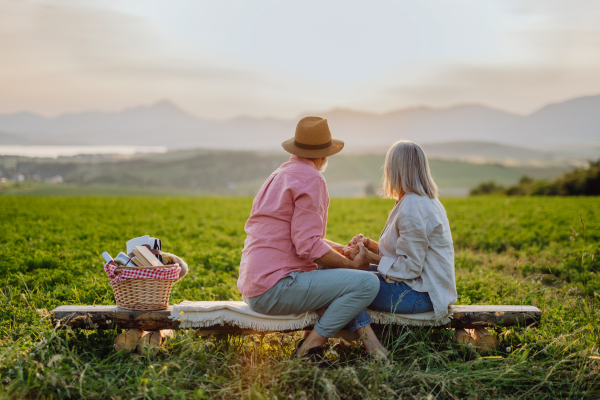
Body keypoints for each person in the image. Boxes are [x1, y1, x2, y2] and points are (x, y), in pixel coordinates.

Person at [237, 116, 387, 367]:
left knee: (330, 271)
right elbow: (307, 245)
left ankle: (328, 344)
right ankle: (311, 346)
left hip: (255, 284)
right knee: (366, 283)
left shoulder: (280, 174)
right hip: (275, 288)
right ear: (325, 155)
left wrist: (341, 251)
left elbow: (300, 238)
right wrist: (350, 265)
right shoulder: (312, 179)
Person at [343, 140, 457, 320]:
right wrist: (369, 245)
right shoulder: (420, 200)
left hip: (422, 295)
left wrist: (368, 257)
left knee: (343, 285)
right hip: (417, 287)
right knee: (343, 275)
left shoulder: (413, 206)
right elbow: (404, 251)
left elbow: (409, 268)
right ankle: (353, 339)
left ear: (394, 170)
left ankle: (357, 340)